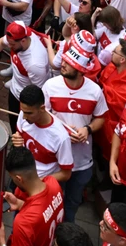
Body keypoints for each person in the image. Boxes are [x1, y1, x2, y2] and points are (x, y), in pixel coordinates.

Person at [43, 42, 108, 222]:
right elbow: (42, 117)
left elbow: (101, 118)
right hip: (55, 162)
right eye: (64, 60)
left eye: (68, 63)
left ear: (80, 70)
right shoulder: (50, 86)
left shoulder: (95, 91)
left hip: (81, 164)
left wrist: (87, 129)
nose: (62, 64)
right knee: (51, 203)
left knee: (71, 204)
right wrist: (60, 134)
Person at [0, 145, 65, 246]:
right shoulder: (54, 185)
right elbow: (44, 213)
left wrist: (1, 242)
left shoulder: (23, 223)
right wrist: (20, 204)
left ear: (19, 179)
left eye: (12, 178)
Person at [12, 83, 74, 183]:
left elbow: (66, 174)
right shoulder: (24, 115)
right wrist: (17, 143)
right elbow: (19, 139)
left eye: (29, 113)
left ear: (42, 108)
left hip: (42, 187)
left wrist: (37, 182)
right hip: (22, 176)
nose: (23, 117)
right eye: (22, 111)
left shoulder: (61, 137)